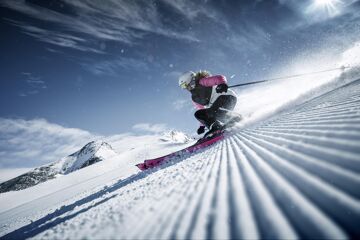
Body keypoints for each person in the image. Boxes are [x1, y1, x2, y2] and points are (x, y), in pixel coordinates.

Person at [178, 70, 239, 135]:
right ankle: (217, 126)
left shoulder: (202, 82)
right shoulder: (194, 98)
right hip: (216, 106)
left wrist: (222, 84)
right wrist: (202, 126)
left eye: (184, 85)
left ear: (189, 80)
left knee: (213, 111)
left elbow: (219, 78)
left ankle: (233, 119)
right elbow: (202, 110)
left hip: (227, 97)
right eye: (183, 87)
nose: (185, 88)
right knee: (198, 114)